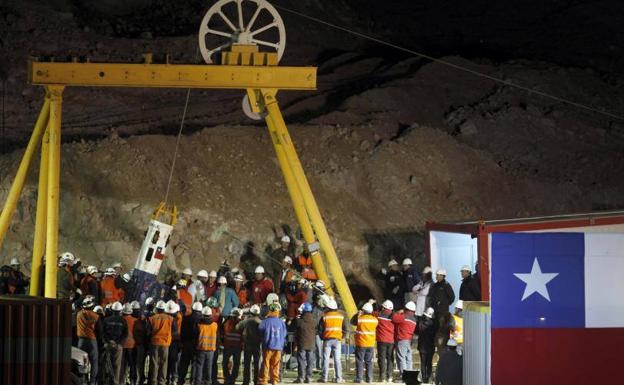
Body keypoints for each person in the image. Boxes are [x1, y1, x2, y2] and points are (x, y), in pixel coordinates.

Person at [147, 300, 178, 385]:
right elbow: (175, 332)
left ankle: (153, 381)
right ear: (164, 309)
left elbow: (148, 332)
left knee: (154, 363)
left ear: (156, 309)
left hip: (154, 343)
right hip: (165, 344)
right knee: (164, 363)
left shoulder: (152, 318)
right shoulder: (171, 319)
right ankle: (162, 382)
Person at [318, 297, 348, 383]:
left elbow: (320, 330)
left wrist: (322, 338)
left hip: (327, 340)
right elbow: (345, 329)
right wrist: (341, 337)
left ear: (328, 308)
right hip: (337, 340)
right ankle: (339, 378)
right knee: (337, 360)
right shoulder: (341, 317)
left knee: (325, 359)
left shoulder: (324, 317)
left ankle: (324, 378)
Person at [258, 303, 287, 385]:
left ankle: (264, 380)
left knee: (266, 363)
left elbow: (260, 330)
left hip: (267, 346)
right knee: (276, 364)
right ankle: (275, 380)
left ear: (270, 311)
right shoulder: (281, 322)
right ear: (278, 311)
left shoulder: (265, 321)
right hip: (278, 346)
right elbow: (284, 334)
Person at [77, 297, 102, 385]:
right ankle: (92, 382)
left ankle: (82, 381)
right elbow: (99, 331)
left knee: (81, 361)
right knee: (94, 362)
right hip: (92, 341)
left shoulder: (79, 314)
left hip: (81, 341)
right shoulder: (96, 316)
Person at [102, 301, 129, 385]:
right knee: (117, 366)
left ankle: (107, 382)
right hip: (118, 346)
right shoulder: (123, 320)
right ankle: (115, 382)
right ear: (120, 310)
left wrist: (108, 341)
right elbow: (125, 334)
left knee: (107, 365)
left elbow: (103, 333)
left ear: (112, 310)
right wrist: (118, 343)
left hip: (108, 344)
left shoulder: (107, 320)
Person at [178, 302, 204, 384]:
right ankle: (192, 381)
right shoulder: (202, 320)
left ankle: (180, 380)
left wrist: (182, 342)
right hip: (196, 345)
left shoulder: (185, 318)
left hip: (186, 344)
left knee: (184, 364)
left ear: (192, 309)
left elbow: (182, 332)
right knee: (195, 364)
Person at [353, 301, 378, 383]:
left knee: (360, 361)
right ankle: (369, 378)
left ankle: (359, 379)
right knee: (369, 362)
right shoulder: (375, 320)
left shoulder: (360, 319)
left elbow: (353, 322)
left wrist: (358, 314)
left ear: (363, 310)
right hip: (370, 344)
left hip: (361, 343)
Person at [430, 269, 455, 351]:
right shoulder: (435, 285)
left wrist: (444, 305)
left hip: (443, 313)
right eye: (436, 275)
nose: (436, 276)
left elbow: (452, 297)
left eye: (438, 275)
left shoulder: (446, 285)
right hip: (435, 312)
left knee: (442, 331)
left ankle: (443, 346)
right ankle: (438, 345)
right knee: (436, 329)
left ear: (442, 276)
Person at [237, 304, 262, 385]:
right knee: (257, 364)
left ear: (251, 312)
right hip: (257, 345)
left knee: (247, 364)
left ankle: (246, 381)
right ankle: (256, 381)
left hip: (248, 344)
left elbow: (237, 327)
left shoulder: (246, 321)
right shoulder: (261, 322)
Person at [193, 307, 218, 385]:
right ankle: (208, 382)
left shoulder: (199, 325)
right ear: (210, 315)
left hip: (201, 349)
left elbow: (195, 337)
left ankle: (198, 382)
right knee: (209, 367)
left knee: (199, 367)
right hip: (211, 350)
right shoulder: (215, 325)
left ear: (202, 315)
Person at [392, 301, 418, 375]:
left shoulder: (404, 316)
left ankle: (403, 376)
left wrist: (398, 312)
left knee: (401, 358)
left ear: (406, 308)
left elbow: (394, 318)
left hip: (402, 339)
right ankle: (409, 376)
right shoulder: (414, 319)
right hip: (409, 340)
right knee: (408, 359)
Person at [294, 302, 316, 383]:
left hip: (302, 343)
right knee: (310, 361)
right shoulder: (314, 321)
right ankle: (309, 377)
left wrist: (296, 318)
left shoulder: (299, 321)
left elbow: (294, 328)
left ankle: (301, 377)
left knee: (301, 361)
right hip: (311, 344)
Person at [221, 308, 244, 385]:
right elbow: (243, 335)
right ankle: (232, 379)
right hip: (237, 347)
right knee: (236, 363)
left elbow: (222, 332)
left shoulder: (227, 322)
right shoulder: (240, 323)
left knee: (225, 363)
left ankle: (227, 379)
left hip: (228, 346)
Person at [376, 300, 395, 383]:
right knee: (390, 358)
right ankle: (390, 376)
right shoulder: (394, 316)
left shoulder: (379, 315)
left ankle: (382, 377)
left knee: (382, 358)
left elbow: (371, 313)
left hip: (381, 340)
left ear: (383, 307)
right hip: (391, 340)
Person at [121, 303, 139, 385]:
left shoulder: (120, 319)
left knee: (123, 365)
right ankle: (132, 381)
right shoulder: (135, 320)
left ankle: (122, 380)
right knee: (132, 364)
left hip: (122, 345)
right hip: (132, 345)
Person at [418, 308, 437, 384]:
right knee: (429, 363)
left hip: (422, 346)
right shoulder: (434, 325)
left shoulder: (420, 323)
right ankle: (429, 378)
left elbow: (417, 332)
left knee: (423, 363)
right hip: (430, 347)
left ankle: (423, 378)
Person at [167, 301, 183, 385]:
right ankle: (173, 377)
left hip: (174, 341)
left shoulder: (177, 318)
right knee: (174, 360)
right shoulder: (179, 317)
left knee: (173, 360)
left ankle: (172, 377)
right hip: (175, 341)